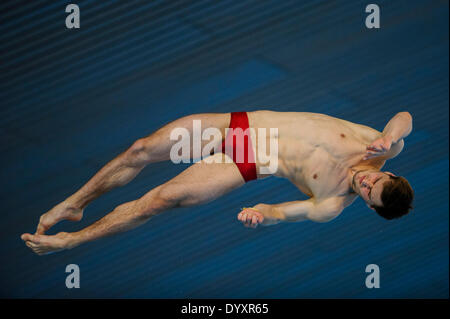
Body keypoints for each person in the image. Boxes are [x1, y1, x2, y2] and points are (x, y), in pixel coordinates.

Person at [21, 110, 414, 255]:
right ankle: (76, 203)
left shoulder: (330, 204)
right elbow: (404, 119)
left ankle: (71, 240)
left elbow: (279, 212)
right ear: (389, 172)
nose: (365, 182)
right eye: (374, 180)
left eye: (367, 193)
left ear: (367, 205)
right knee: (141, 149)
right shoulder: (377, 147)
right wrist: (387, 135)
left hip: (246, 160)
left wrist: (260, 215)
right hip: (240, 126)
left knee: (159, 201)